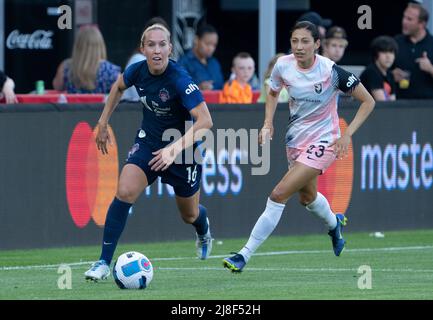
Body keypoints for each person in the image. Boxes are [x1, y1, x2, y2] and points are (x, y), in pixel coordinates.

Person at [223, 21, 375, 273]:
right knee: (307, 198)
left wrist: (347, 134)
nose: (299, 47)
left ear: (317, 44)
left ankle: (243, 255)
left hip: (325, 141)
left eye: (305, 41)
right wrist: (267, 124)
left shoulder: (331, 71)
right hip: (295, 140)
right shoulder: (283, 65)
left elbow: (368, 101)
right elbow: (272, 93)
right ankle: (334, 224)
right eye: (295, 41)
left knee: (278, 194)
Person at [84, 24, 214, 281]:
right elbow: (118, 87)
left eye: (162, 44)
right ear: (142, 49)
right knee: (124, 191)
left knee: (189, 214)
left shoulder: (180, 79)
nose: (157, 50)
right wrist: (102, 123)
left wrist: (173, 149)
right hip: (149, 142)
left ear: (170, 48)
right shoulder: (137, 70)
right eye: (151, 45)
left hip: (183, 151)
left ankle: (203, 227)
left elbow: (205, 122)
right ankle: (102, 262)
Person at [52, 25, 121, 94]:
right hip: (101, 105)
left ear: (78, 45)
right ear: (100, 45)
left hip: (74, 104)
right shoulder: (111, 70)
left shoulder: (66, 67)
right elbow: (120, 96)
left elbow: (57, 87)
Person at [121, 17, 170, 102]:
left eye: (162, 43)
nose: (157, 49)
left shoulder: (169, 63)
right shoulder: (138, 60)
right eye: (152, 43)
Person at [393, 2, 433, 99]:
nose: (404, 21)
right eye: (404, 17)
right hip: (400, 105)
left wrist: (430, 68)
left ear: (422, 24)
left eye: (409, 19)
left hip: (428, 106)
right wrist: (392, 75)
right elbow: (380, 72)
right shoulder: (396, 42)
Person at [177, 24, 224, 90]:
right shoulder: (183, 63)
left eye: (214, 45)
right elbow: (178, 89)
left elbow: (221, 86)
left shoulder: (215, 63)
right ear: (196, 40)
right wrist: (198, 87)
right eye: (207, 44)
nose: (211, 48)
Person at [360, 36, 398, 101]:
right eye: (384, 52)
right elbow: (381, 102)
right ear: (375, 54)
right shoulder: (371, 72)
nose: (388, 56)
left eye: (391, 52)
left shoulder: (390, 74)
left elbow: (392, 101)